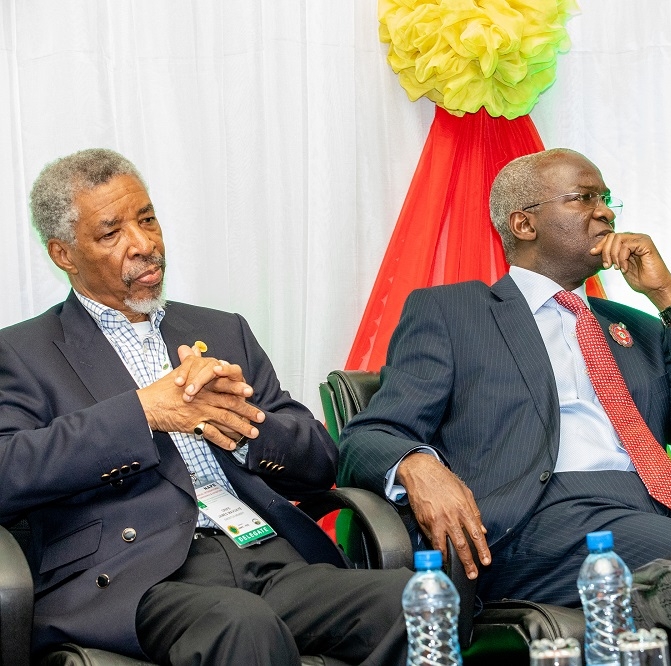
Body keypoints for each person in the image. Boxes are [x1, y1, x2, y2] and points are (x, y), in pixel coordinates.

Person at [339, 148, 671, 664]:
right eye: (584, 198)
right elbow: (371, 434)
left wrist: (670, 298)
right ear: (523, 224)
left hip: (666, 511)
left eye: (607, 199)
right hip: (541, 518)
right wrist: (416, 463)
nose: (606, 212)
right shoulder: (454, 312)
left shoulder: (638, 328)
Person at [0, 149, 409, 665]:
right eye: (111, 233)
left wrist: (243, 428)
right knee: (242, 626)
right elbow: (7, 471)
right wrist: (143, 413)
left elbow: (320, 464)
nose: (144, 244)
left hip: (268, 555)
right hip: (137, 577)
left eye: (147, 220)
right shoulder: (21, 352)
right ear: (63, 254)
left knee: (420, 601)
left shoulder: (221, 330)